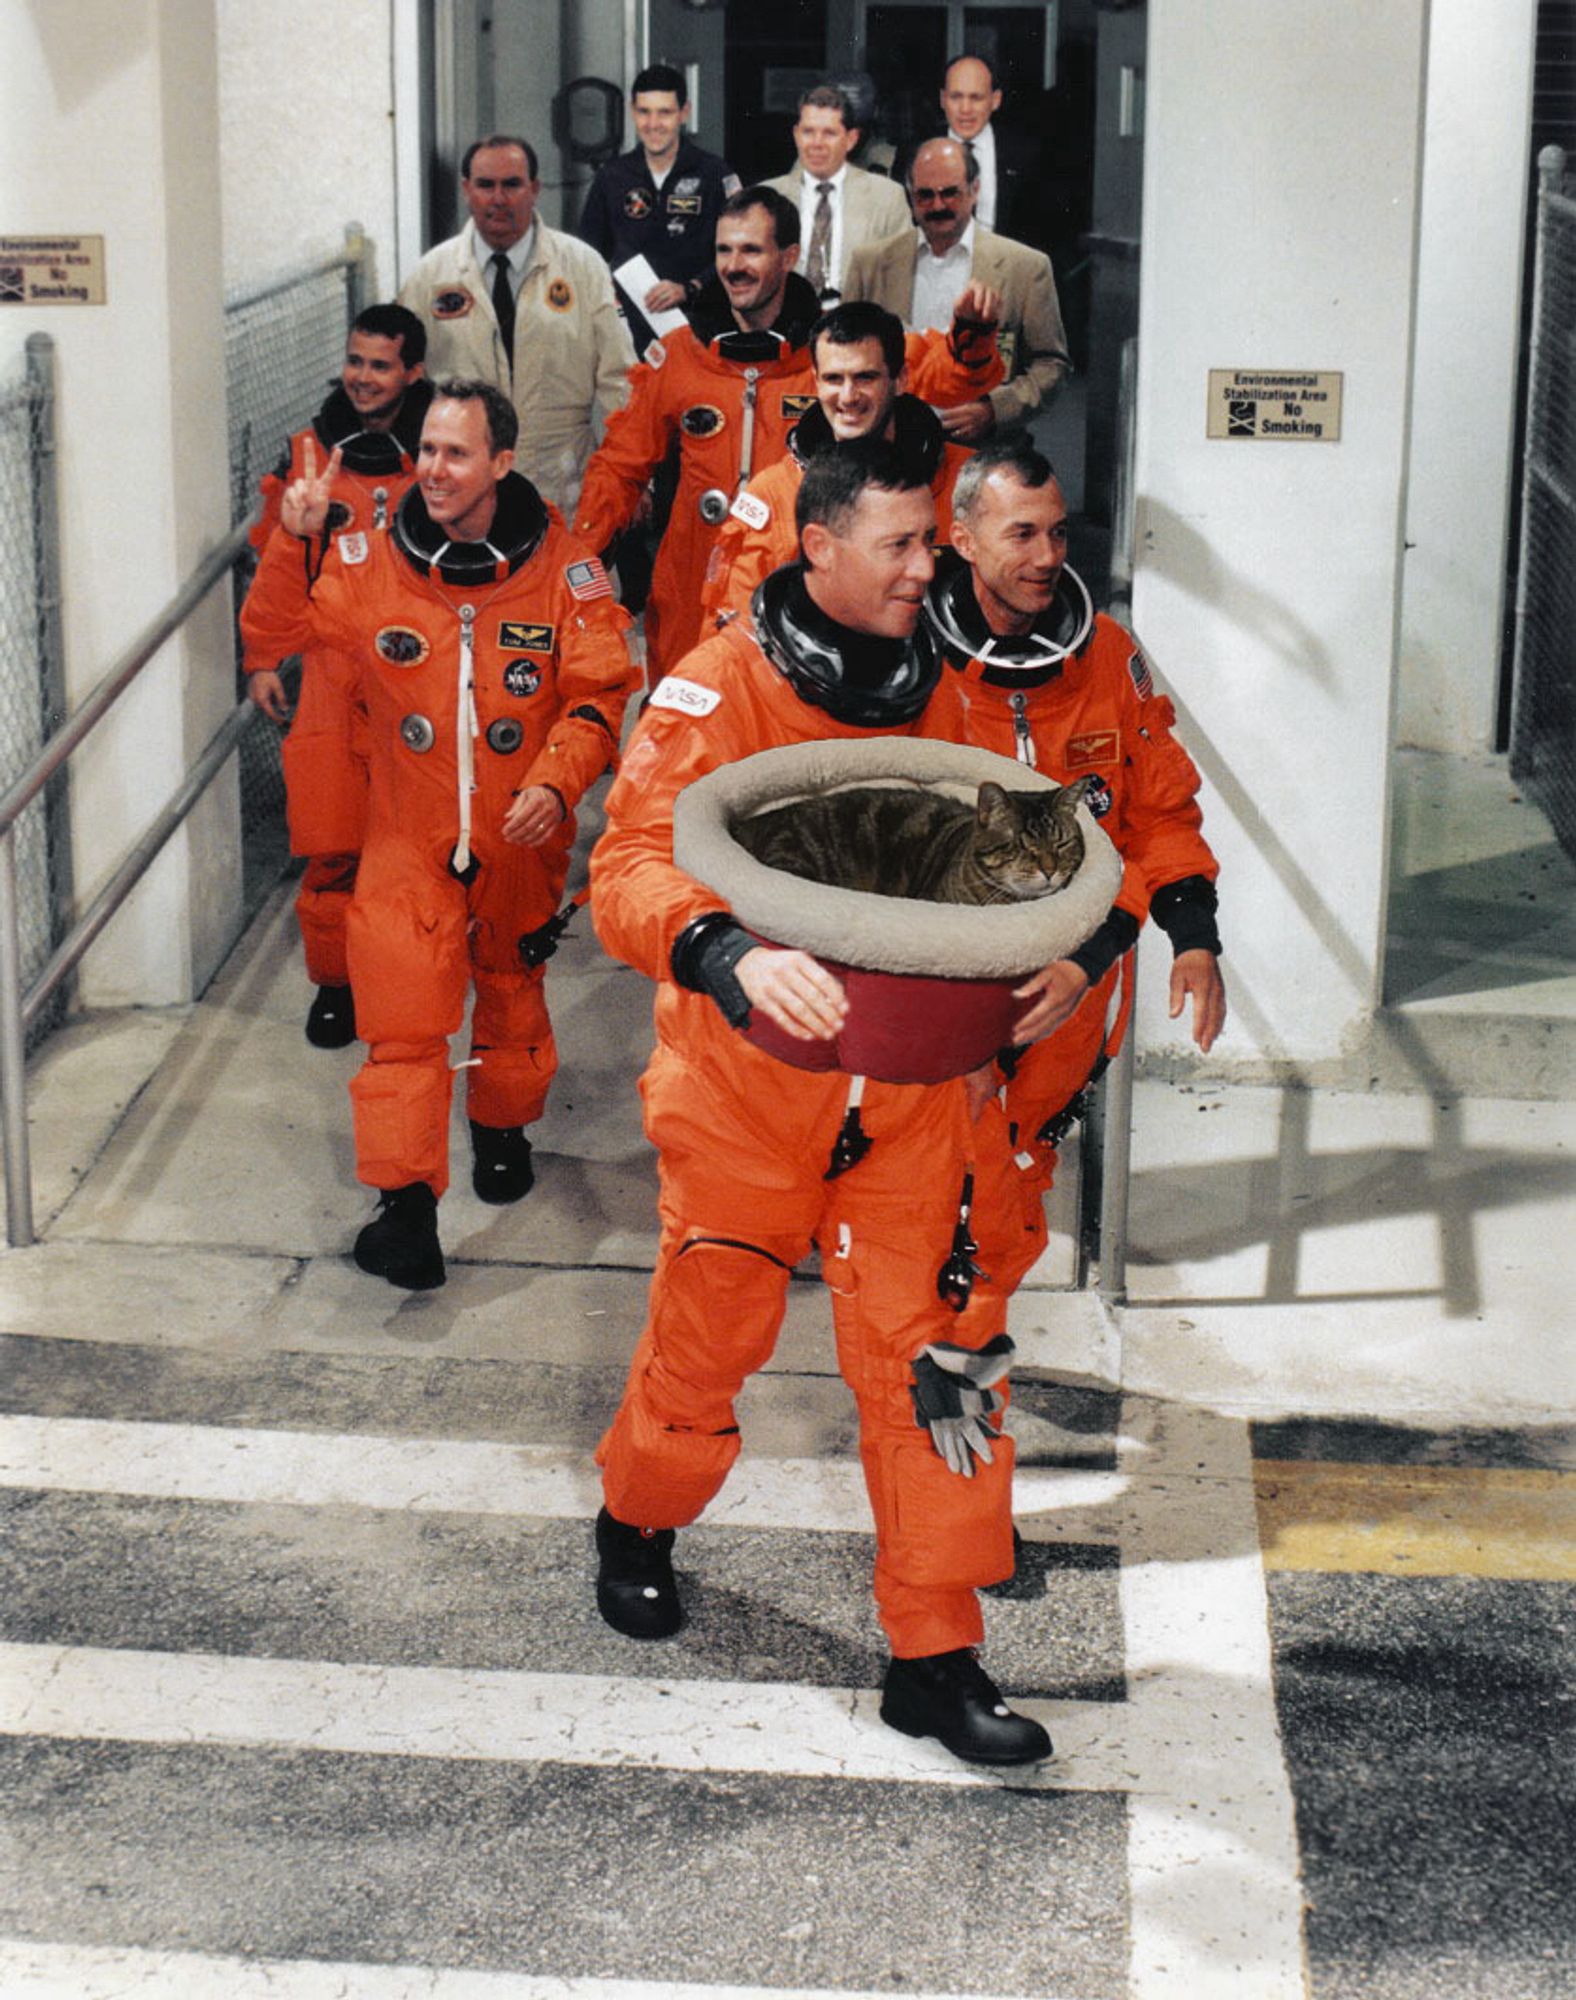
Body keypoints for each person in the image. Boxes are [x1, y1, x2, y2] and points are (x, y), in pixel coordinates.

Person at [588, 443, 1053, 1769]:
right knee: (711, 1338)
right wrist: (725, 951)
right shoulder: (720, 688)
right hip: (747, 1093)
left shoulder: (946, 695)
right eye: (903, 545)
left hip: (904, 1103)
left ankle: (937, 1654)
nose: (931, 566)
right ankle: (638, 1517)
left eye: (933, 544)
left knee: (939, 1375)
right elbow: (626, 865)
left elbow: (990, 866)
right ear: (821, 550)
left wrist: (1048, 963)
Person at [240, 380, 639, 1291]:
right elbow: (273, 627)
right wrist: (291, 540)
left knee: (509, 988)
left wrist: (556, 777)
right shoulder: (367, 560)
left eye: (457, 453)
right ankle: (406, 1212)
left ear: (503, 461)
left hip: (517, 832)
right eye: (426, 450)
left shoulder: (567, 572)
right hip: (409, 834)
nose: (434, 469)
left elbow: (598, 695)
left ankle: (502, 1135)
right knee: (405, 1029)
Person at [923, 435, 1225, 1307]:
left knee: (1015, 1161)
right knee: (951, 1159)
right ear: (965, 539)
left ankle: (966, 1329)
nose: (1049, 557)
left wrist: (1195, 941)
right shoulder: (914, 666)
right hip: (951, 972)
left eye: (1057, 533)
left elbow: (1162, 812)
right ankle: (947, 1328)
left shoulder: (1106, 658)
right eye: (1022, 535)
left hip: (1080, 978)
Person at [574, 187, 998, 685]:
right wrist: (580, 562)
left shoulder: (829, 353)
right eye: (724, 250)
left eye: (751, 250)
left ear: (789, 257)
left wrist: (970, 339)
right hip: (690, 587)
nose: (734, 266)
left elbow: (937, 370)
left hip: (798, 573)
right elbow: (618, 468)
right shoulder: (680, 356)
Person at [242, 303, 432, 1049]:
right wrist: (262, 659)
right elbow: (273, 563)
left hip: (422, 673)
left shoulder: (441, 448)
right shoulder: (311, 450)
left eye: (380, 364)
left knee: (421, 844)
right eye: (355, 361)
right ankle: (334, 985)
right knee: (332, 846)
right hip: (329, 671)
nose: (362, 377)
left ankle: (412, 975)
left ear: (412, 371)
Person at [698, 296, 999, 626]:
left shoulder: (972, 485)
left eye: (865, 378)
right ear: (815, 381)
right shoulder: (773, 495)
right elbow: (734, 633)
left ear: (900, 379)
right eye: (833, 379)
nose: (847, 397)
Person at [397, 135, 634, 514]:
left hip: (564, 482)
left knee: (576, 573)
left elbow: (620, 381)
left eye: (512, 184)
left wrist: (629, 477)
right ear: (465, 190)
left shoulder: (582, 266)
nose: (498, 198)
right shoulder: (431, 275)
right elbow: (402, 379)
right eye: (485, 185)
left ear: (535, 189)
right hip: (463, 491)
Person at [845, 137, 1070, 443]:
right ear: (910, 196)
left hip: (985, 451)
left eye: (950, 193)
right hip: (888, 443)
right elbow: (844, 356)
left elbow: (1051, 365)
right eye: (925, 195)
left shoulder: (1026, 267)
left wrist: (995, 410)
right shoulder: (869, 263)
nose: (937, 205)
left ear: (975, 190)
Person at [576, 62, 741, 353]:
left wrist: (689, 288)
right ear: (632, 111)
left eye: (664, 112)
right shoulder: (612, 176)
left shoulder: (714, 174)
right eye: (644, 112)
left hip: (698, 329)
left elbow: (739, 254)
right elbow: (588, 255)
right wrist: (608, 298)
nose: (653, 124)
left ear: (684, 112)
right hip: (627, 336)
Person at [764, 84, 911, 305]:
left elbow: (900, 282)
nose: (817, 144)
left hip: (859, 328)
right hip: (786, 329)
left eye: (829, 133)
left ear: (851, 139)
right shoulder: (768, 197)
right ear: (796, 135)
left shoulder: (887, 198)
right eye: (808, 132)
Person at [935, 53, 1045, 247]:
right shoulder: (919, 151)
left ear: (996, 100)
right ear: (943, 99)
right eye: (956, 97)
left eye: (976, 98)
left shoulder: (1024, 154)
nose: (965, 109)